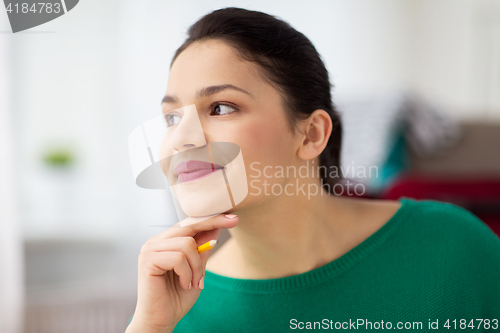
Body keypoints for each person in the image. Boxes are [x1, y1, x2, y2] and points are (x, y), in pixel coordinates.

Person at [126, 7, 500, 333]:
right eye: (172, 118)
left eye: (221, 107)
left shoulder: (454, 247)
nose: (181, 140)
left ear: (311, 134)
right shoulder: (179, 311)